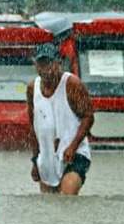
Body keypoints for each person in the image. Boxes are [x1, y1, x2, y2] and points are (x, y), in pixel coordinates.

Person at [26, 43, 94, 195]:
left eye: (48, 64)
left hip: (74, 155)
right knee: (49, 206)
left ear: (59, 63)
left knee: (67, 197)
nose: (45, 69)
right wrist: (35, 161)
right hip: (47, 158)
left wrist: (73, 146)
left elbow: (88, 117)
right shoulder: (32, 88)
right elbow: (33, 127)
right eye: (41, 64)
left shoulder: (72, 84)